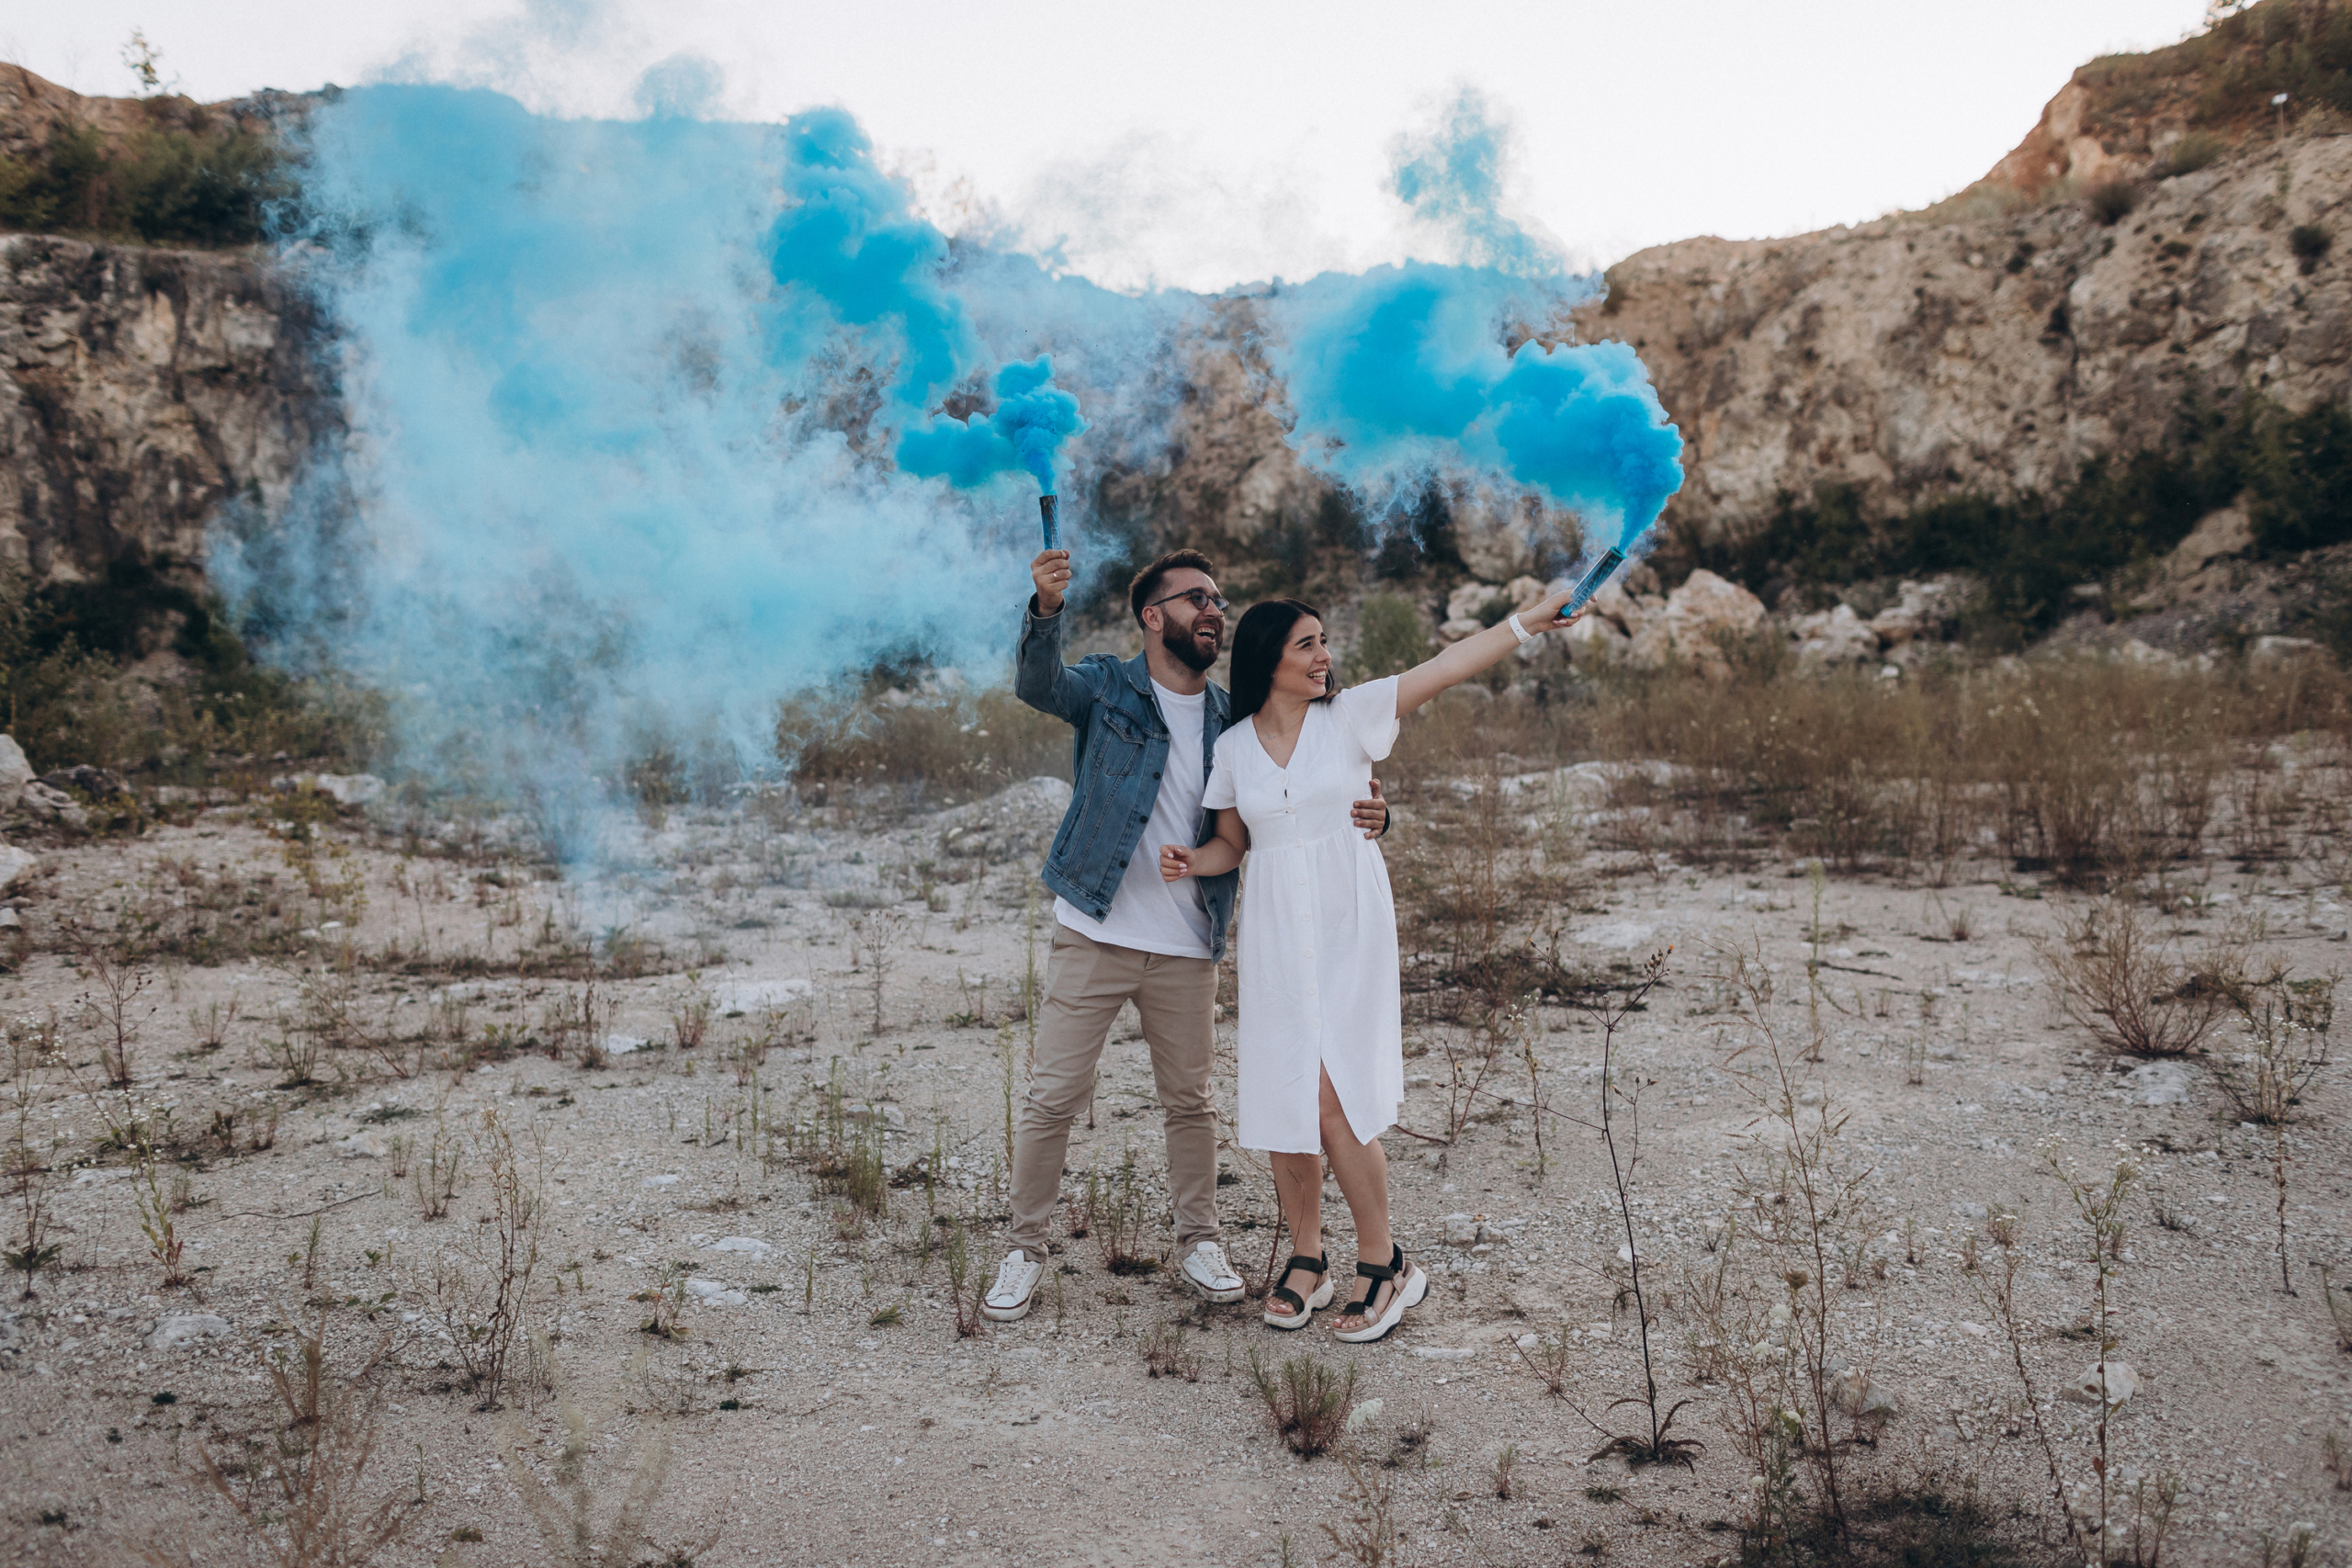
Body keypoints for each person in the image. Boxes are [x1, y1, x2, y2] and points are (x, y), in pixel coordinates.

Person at [981, 546, 1396, 1322]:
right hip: (1095, 928)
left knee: (1191, 1102)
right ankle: (1024, 1247)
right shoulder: (1107, 687)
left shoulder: (1230, 719)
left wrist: (1377, 808)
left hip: (1186, 939)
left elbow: (1304, 779)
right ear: (1152, 615)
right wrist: (1044, 609)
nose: (1214, 608)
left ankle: (1198, 1239)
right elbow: (1038, 683)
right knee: (1053, 1097)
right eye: (1196, 597)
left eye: (1219, 599)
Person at [1161, 586, 1586, 1342]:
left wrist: (1528, 622)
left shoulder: (1351, 714)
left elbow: (1448, 665)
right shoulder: (1231, 749)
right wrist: (1192, 860)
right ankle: (1307, 1257)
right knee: (1285, 1095)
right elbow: (1234, 843)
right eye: (1307, 645)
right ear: (1269, 660)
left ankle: (1384, 1262)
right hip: (1275, 933)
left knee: (1334, 1097)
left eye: (1324, 641)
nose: (1324, 656)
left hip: (1349, 920)